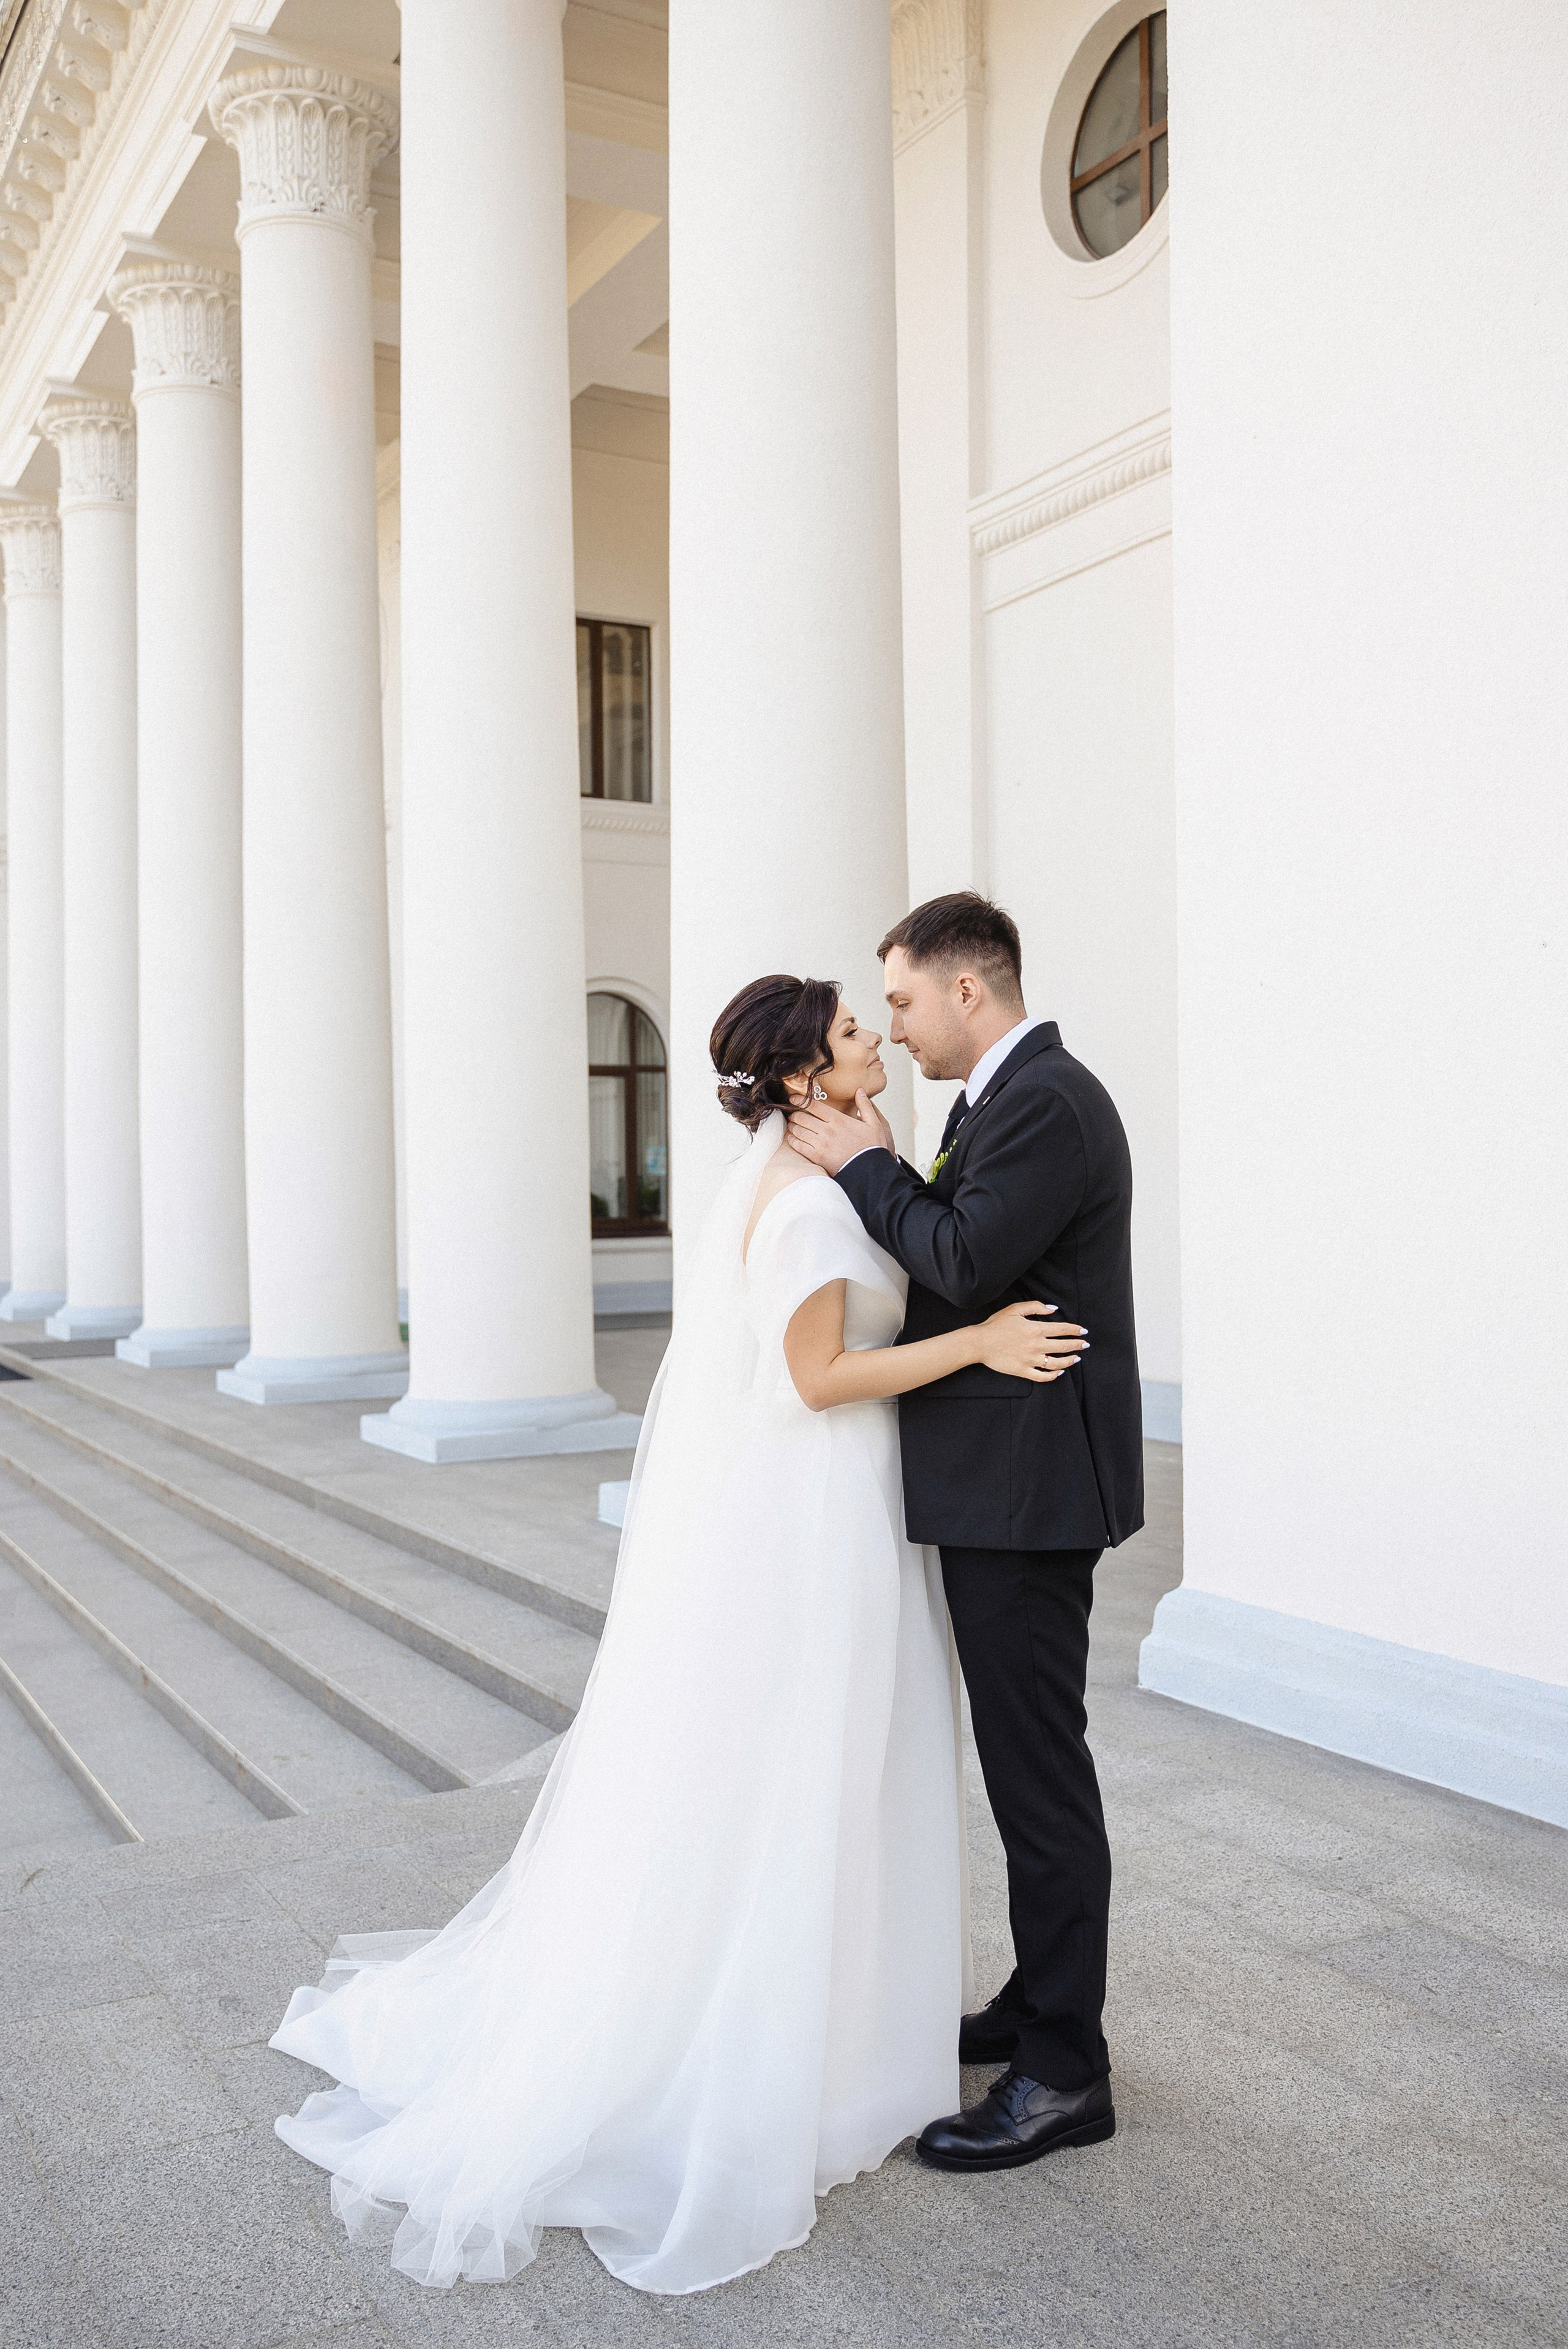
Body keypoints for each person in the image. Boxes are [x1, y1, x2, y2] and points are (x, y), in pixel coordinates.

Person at [268, 971, 1088, 2297]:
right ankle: (790, 2054)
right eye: (847, 1029)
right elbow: (819, 1378)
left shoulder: (809, 1176)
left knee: (815, 1772)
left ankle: (831, 2034)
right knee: (808, 1776)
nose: (871, 1035)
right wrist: (981, 1341)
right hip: (817, 1513)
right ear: (805, 1076)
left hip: (821, 1505)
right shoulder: (808, 1202)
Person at [787, 891, 1142, 2172]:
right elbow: (960, 1253)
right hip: (1002, 1484)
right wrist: (890, 1157)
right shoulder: (1000, 1101)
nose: (891, 1021)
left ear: (965, 991)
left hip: (1029, 1492)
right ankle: (1037, 2007)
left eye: (897, 999)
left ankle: (1064, 2072)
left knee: (1038, 1776)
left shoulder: (1043, 1099)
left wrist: (860, 1163)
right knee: (1020, 1764)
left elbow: (961, 1258)